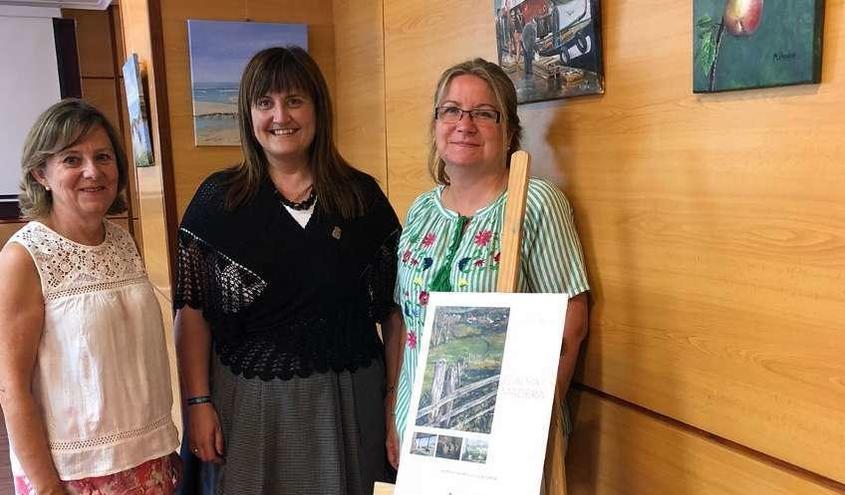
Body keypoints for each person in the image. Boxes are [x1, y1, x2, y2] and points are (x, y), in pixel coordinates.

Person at [174, 46, 402, 495]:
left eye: (295, 100)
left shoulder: (362, 198)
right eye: (265, 103)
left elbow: (394, 310)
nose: (281, 115)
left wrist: (396, 395)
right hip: (249, 401)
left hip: (352, 399)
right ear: (249, 114)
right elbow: (192, 313)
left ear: (318, 108)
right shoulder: (217, 202)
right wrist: (197, 402)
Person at [388, 58, 590, 466]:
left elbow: (571, 316)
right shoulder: (421, 210)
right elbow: (402, 317)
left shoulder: (536, 204)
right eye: (451, 110)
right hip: (420, 431)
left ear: (510, 131)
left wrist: (538, 417)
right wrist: (395, 408)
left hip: (504, 439)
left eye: (484, 113)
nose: (465, 124)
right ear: (436, 124)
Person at [0, 99, 181, 494]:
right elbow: (11, 391)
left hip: (148, 459)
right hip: (75, 474)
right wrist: (46, 487)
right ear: (41, 173)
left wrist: (162, 444)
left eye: (103, 157)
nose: (92, 171)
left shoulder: (123, 241)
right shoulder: (24, 258)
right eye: (72, 159)